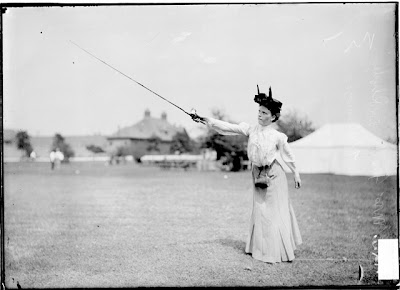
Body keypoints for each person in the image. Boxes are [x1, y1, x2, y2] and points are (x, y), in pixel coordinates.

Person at [192, 86, 302, 263]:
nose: (260, 115)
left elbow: (287, 155)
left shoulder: (277, 136)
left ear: (273, 117)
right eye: (259, 111)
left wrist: (296, 173)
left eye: (264, 112)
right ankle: (259, 248)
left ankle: (276, 251)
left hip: (274, 175)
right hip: (257, 174)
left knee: (273, 213)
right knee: (260, 211)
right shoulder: (251, 130)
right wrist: (205, 120)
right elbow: (227, 127)